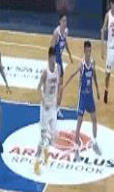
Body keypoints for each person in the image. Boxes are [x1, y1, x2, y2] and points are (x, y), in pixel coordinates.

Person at [62, 40, 100, 161]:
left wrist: (98, 89)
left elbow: (94, 76)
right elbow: (72, 75)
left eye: (90, 51)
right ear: (84, 51)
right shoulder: (82, 65)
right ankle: (76, 148)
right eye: (87, 51)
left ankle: (95, 142)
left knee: (94, 119)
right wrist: (64, 86)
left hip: (90, 96)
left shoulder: (92, 63)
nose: (88, 53)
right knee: (79, 121)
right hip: (82, 96)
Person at [34, 47, 60, 175]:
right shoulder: (45, 72)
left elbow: (58, 85)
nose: (54, 59)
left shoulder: (57, 68)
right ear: (49, 57)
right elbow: (38, 87)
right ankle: (36, 162)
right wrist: (43, 100)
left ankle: (45, 151)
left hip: (53, 106)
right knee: (43, 138)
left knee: (54, 135)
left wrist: (58, 99)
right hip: (45, 108)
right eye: (53, 57)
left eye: (55, 57)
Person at [51, 16, 73, 119]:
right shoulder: (56, 33)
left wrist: (69, 54)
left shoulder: (66, 31)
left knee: (60, 86)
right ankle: (54, 108)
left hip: (59, 60)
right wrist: (51, 63)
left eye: (66, 21)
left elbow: (65, 42)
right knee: (58, 86)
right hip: (56, 61)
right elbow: (51, 48)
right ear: (59, 22)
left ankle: (57, 108)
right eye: (63, 21)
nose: (65, 22)